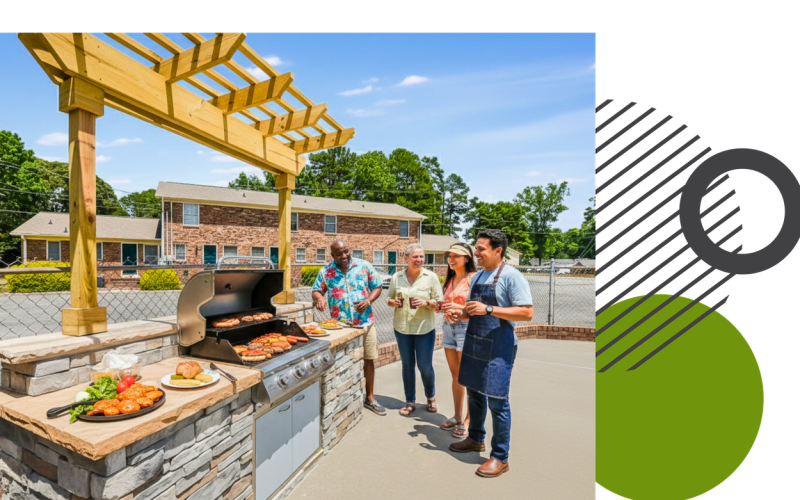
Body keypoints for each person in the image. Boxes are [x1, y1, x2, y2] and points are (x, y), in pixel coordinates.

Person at [445, 229, 533, 478]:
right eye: (476, 248)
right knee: (474, 394)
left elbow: (527, 312)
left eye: (481, 249)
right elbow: (473, 311)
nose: (476, 253)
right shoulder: (477, 277)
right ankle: (475, 439)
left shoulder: (512, 277)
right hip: (475, 342)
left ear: (498, 251)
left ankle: (500, 457)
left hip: (499, 346)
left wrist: (490, 308)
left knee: (497, 400)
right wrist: (460, 313)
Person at [312, 239, 386, 416]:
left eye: (346, 251)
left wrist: (368, 300)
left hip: (364, 322)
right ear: (332, 255)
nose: (344, 256)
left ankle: (370, 398)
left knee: (369, 360)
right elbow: (316, 290)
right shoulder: (326, 271)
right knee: (340, 361)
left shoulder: (364, 266)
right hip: (340, 326)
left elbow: (377, 286)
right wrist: (320, 298)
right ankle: (341, 398)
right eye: (339, 254)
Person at [387, 243, 444, 416]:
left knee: (425, 366)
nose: (419, 260)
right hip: (402, 328)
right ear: (406, 259)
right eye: (415, 257)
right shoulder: (396, 277)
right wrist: (393, 302)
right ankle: (410, 401)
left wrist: (426, 303)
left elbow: (440, 304)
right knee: (407, 365)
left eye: (421, 257)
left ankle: (430, 397)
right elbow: (389, 299)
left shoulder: (431, 277)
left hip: (424, 329)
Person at [436, 242, 477, 438]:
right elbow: (447, 303)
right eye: (449, 256)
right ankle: (457, 417)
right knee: (456, 375)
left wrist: (458, 310)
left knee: (468, 376)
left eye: (456, 256)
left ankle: (469, 420)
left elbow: (477, 308)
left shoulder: (474, 279)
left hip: (466, 329)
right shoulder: (450, 278)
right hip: (448, 327)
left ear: (467, 258)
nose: (451, 259)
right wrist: (441, 306)